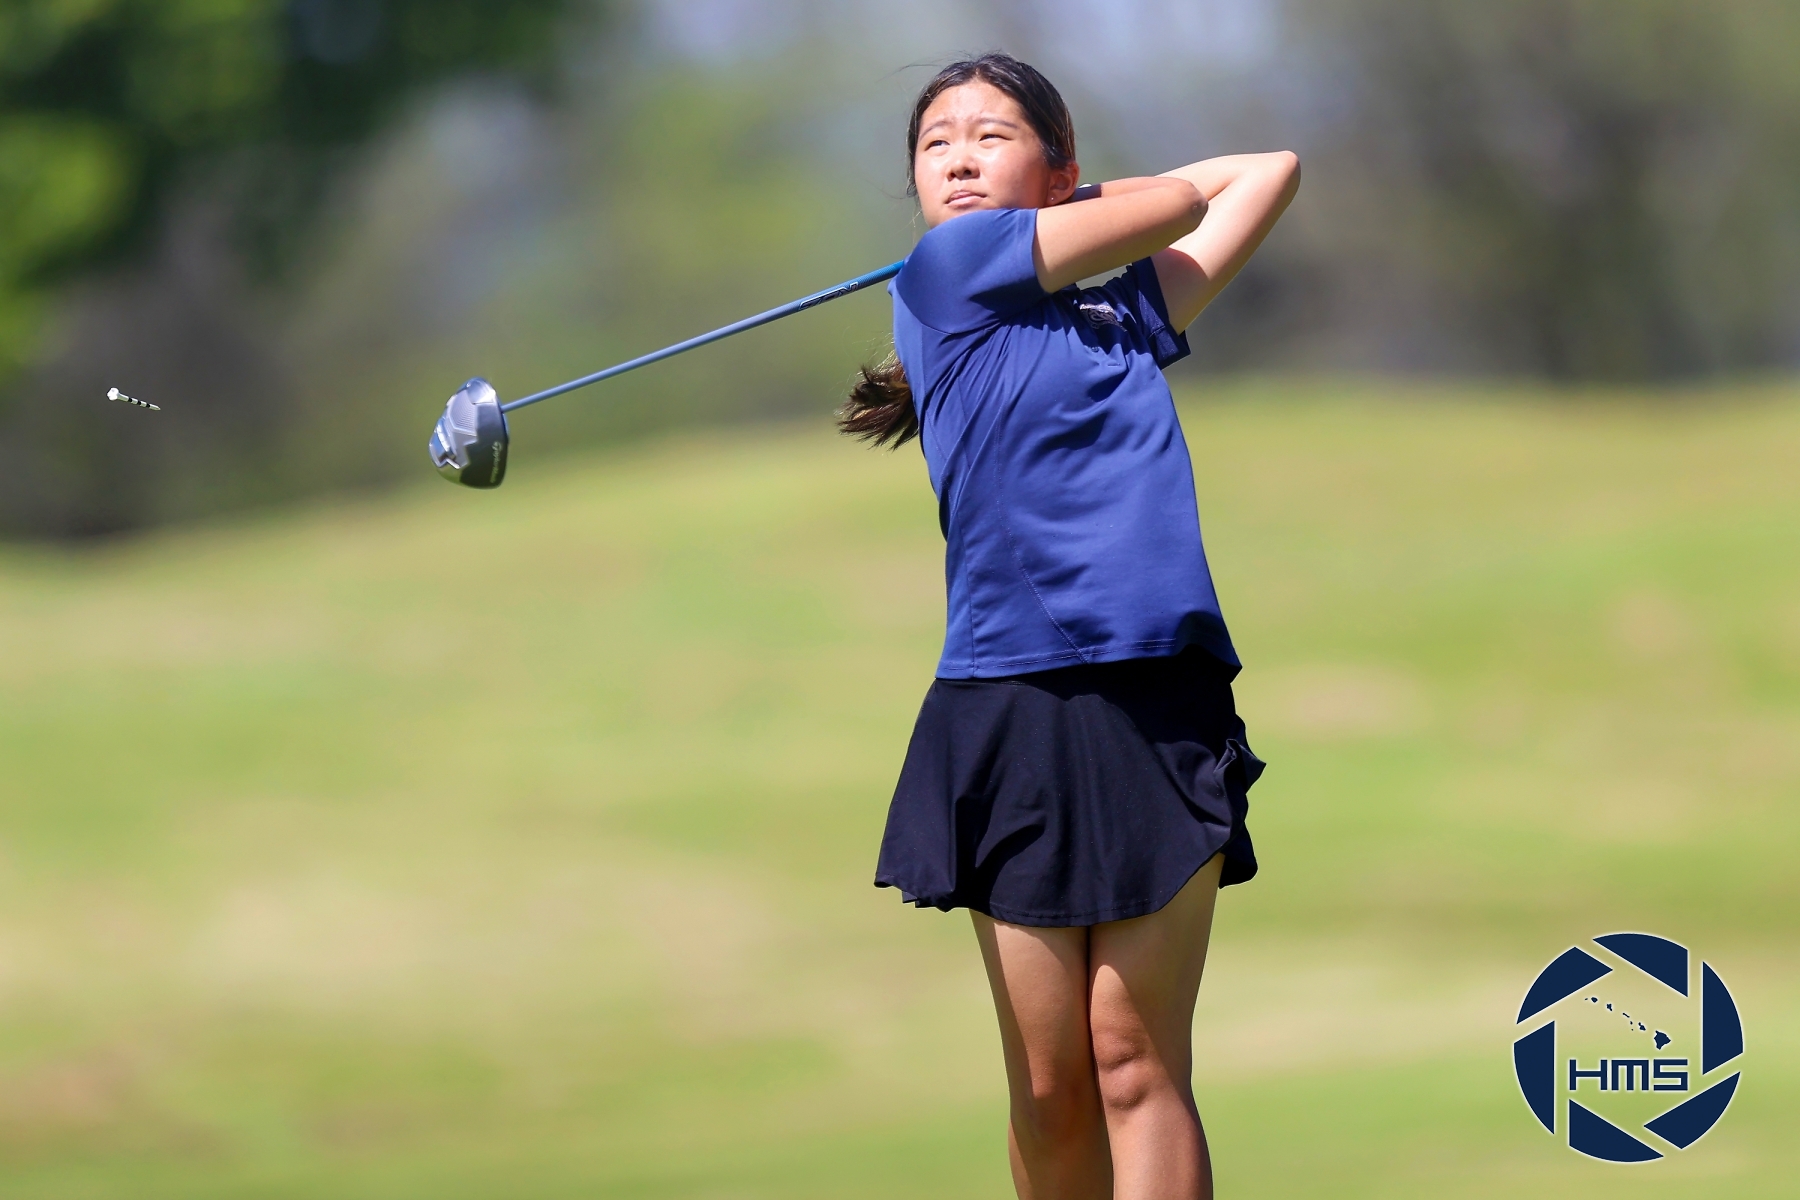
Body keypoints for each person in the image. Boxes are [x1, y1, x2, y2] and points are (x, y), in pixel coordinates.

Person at [838, 53, 1299, 1200]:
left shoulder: (1120, 306)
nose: (957, 159)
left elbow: (1268, 172)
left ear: (1057, 168)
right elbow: (1180, 200)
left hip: (1158, 695)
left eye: (990, 137)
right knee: (1052, 1091)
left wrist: (1071, 205)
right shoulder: (945, 268)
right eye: (936, 144)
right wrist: (1064, 202)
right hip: (1013, 703)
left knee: (1135, 1060)